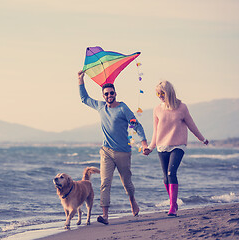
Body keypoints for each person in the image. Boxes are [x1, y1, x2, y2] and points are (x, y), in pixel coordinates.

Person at [78, 70, 148, 225]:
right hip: (106, 152)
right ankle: (105, 216)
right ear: (103, 95)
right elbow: (84, 98)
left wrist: (144, 144)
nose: (109, 96)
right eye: (106, 94)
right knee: (105, 182)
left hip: (123, 152)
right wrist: (80, 80)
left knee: (127, 183)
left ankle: (132, 201)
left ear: (115, 93)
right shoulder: (100, 106)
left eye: (111, 93)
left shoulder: (123, 108)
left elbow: (137, 125)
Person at [143, 80, 209, 217]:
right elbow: (156, 131)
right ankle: (174, 202)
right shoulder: (157, 109)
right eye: (157, 93)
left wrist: (202, 139)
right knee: (165, 177)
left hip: (178, 145)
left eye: (162, 93)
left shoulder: (182, 107)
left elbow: (192, 125)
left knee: (171, 173)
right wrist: (150, 147)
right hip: (162, 146)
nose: (160, 95)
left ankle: (172, 206)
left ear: (169, 92)